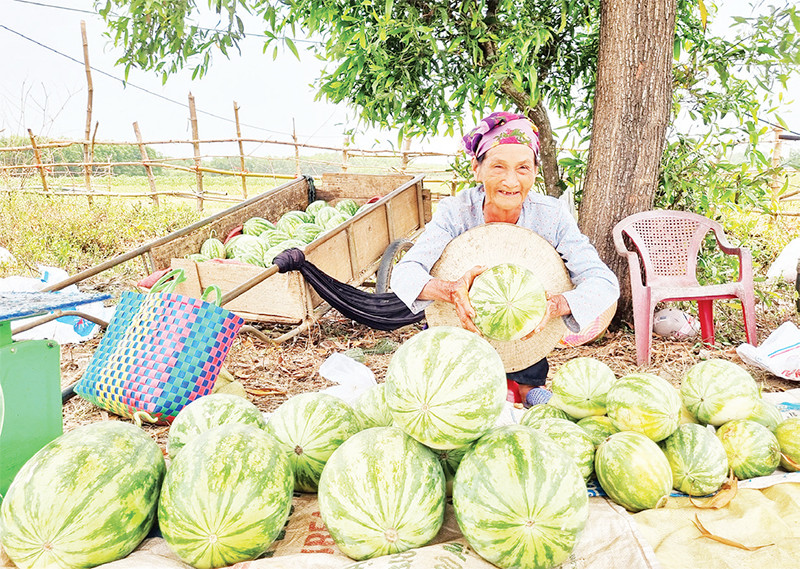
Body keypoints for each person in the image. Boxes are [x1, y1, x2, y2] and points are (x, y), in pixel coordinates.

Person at [390, 111, 620, 406]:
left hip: (522, 341)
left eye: (523, 168)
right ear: (477, 168)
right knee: (447, 397)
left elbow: (604, 283)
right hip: (458, 333)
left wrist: (555, 306)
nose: (511, 181)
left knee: (526, 397)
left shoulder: (551, 216)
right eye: (498, 166)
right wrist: (450, 290)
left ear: (535, 171)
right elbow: (404, 272)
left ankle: (529, 393)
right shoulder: (455, 212)